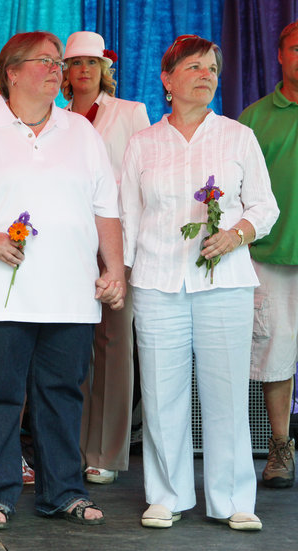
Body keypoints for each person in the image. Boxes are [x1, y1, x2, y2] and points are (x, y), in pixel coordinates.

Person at [0, 31, 124, 529]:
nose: (56, 69)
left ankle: (63, 491)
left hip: (70, 293)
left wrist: (115, 269)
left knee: (62, 395)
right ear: (12, 72)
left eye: (59, 62)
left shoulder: (81, 132)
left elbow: (106, 209)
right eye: (45, 61)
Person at [119, 35, 278, 531]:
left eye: (212, 67)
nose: (206, 74)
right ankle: (166, 496)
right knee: (162, 392)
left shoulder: (237, 136)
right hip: (156, 282)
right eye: (193, 67)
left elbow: (265, 208)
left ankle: (234, 500)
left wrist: (234, 235)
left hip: (225, 283)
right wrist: (119, 277)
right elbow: (127, 216)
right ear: (167, 80)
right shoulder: (142, 143)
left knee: (227, 391)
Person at [62, 30, 151, 485]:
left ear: (104, 70)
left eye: (91, 64)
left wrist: (128, 250)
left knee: (115, 346)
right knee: (75, 347)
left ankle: (108, 452)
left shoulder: (130, 113)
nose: (83, 72)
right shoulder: (55, 117)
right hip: (71, 247)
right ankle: (72, 447)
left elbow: (142, 179)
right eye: (75, 64)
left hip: (118, 243)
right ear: (64, 72)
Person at [239, 20, 298, 490]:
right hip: (272, 256)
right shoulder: (253, 119)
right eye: (297, 48)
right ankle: (281, 450)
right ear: (279, 54)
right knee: (274, 356)